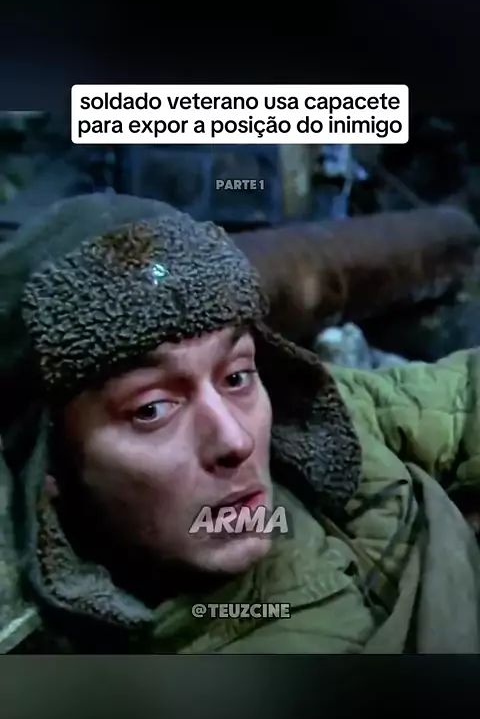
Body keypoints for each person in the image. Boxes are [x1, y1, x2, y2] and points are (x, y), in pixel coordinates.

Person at [1, 192, 480, 654]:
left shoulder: (309, 421)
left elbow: (460, 393)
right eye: (153, 409)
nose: (236, 439)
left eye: (235, 376)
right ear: (52, 467)